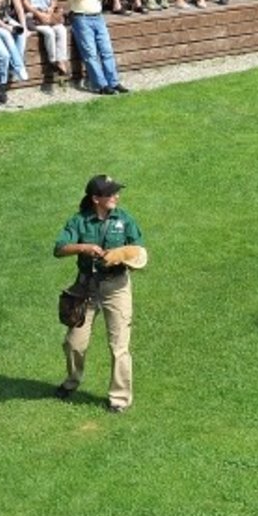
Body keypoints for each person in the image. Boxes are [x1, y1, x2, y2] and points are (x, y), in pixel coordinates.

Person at [54, 174, 145, 414]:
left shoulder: (124, 220)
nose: (117, 196)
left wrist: (121, 255)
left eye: (116, 192)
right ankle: (72, 381)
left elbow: (139, 249)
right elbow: (59, 248)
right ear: (96, 198)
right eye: (111, 193)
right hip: (86, 289)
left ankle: (119, 398)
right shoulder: (79, 222)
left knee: (119, 346)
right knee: (74, 343)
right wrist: (83, 247)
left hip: (117, 288)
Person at [63, 0, 125, 95]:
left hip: (98, 17)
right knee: (90, 54)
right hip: (81, 18)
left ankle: (114, 82)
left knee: (107, 51)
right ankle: (100, 85)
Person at [18, 0, 70, 75]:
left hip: (48, 13)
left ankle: (61, 60)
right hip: (33, 15)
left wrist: (50, 9)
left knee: (61, 30)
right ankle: (52, 60)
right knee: (49, 32)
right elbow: (24, 2)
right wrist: (38, 13)